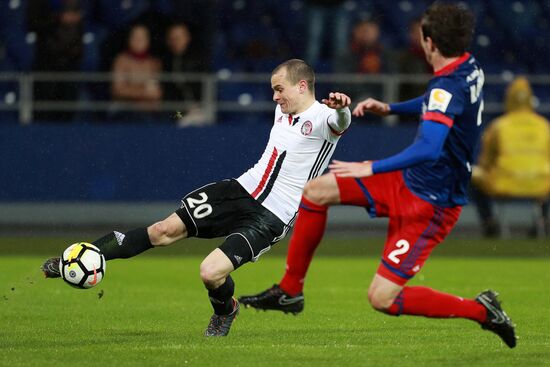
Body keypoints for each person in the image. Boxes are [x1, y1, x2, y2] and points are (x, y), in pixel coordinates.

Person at [239, 4, 517, 348]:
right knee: (317, 191)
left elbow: (430, 146)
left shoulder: (448, 85)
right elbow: (441, 101)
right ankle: (290, 291)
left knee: (382, 298)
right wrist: (393, 108)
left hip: (432, 204)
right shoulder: (469, 66)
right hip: (410, 181)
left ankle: (482, 311)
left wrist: (371, 167)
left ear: (428, 42)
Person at [42, 59, 352, 337]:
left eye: (279, 89)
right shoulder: (282, 110)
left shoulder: (326, 118)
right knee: (161, 231)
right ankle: (82, 256)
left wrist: (342, 107)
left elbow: (341, 122)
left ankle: (225, 310)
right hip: (239, 190)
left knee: (210, 272)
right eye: (273, 90)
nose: (274, 97)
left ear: (301, 86)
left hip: (272, 216)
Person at [471, 77, 550, 237]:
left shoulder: (498, 126)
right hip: (541, 184)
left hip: (503, 183)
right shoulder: (544, 125)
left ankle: (489, 223)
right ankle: (541, 221)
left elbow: (485, 162)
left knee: (470, 173)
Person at [27, 0, 83, 122]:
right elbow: (32, 23)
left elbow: (82, 28)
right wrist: (59, 19)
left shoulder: (78, 4)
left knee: (67, 112)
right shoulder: (40, 3)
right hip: (46, 63)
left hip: (70, 63)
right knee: (44, 111)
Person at [111, 24, 162, 121]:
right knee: (144, 119)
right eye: (135, 37)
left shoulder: (154, 62)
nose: (139, 40)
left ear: (148, 40)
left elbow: (157, 93)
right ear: (129, 39)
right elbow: (117, 90)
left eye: (142, 37)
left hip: (154, 110)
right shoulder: (121, 60)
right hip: (126, 110)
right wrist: (143, 93)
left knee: (175, 116)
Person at [161, 22, 208, 126]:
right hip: (178, 112)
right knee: (177, 119)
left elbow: (207, 89)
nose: (176, 41)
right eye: (173, 38)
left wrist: (197, 106)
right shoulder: (166, 63)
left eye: (179, 37)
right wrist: (183, 111)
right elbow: (167, 95)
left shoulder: (199, 60)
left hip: (201, 109)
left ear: (187, 38)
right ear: (168, 41)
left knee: (203, 121)